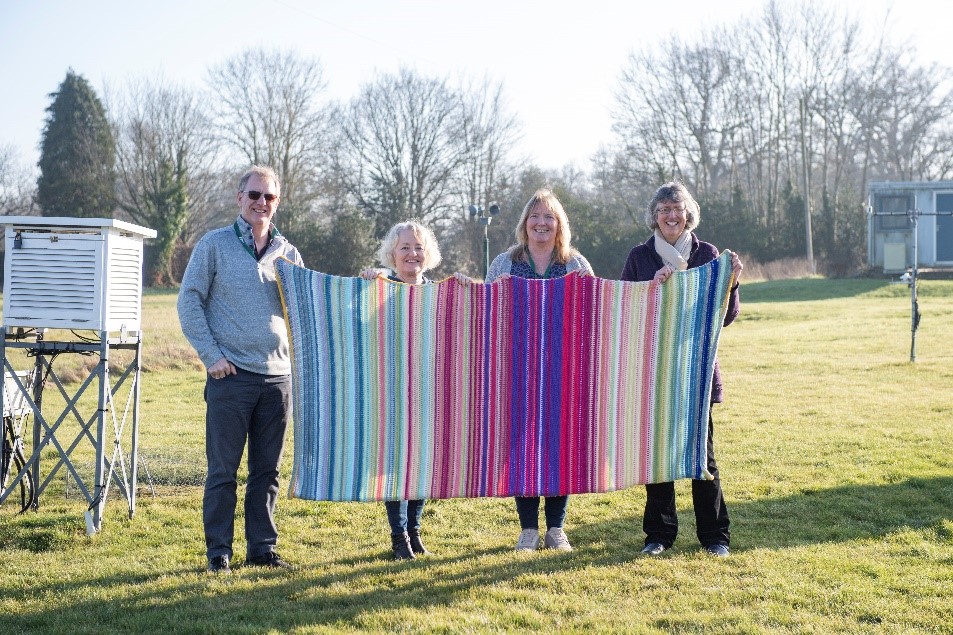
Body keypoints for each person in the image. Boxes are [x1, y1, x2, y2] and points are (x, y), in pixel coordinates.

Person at [178, 165, 303, 573]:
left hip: (278, 379)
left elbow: (305, 310)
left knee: (267, 472)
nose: (261, 203)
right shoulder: (214, 245)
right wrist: (212, 356)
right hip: (230, 378)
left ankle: (262, 549)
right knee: (223, 472)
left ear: (277, 202)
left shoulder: (289, 252)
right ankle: (219, 552)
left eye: (269, 197)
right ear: (239, 198)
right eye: (254, 195)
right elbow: (189, 301)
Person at [619, 181, 743, 558]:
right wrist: (652, 292)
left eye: (678, 209)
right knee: (657, 456)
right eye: (664, 210)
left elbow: (726, 317)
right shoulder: (639, 257)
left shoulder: (708, 254)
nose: (672, 216)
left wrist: (733, 283)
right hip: (653, 372)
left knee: (702, 457)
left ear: (689, 213)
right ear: (654, 217)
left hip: (697, 373)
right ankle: (658, 535)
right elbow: (627, 313)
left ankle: (715, 537)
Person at [484, 189, 594, 552]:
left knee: (559, 445)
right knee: (523, 447)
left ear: (559, 224)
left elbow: (594, 313)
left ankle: (556, 528)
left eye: (549, 217)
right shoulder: (504, 262)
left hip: (565, 369)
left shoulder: (575, 264)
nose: (541, 223)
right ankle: (528, 529)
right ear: (524, 224)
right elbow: (488, 312)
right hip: (518, 370)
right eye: (535, 217)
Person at [360, 220, 442, 560]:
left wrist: (468, 288)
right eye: (405, 247)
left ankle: (415, 529)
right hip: (390, 391)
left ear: (428, 254)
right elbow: (360, 324)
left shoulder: (438, 290)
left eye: (419, 247)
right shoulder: (380, 287)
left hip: (428, 390)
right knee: (394, 464)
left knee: (422, 462)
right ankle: (398, 536)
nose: (412, 254)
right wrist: (364, 287)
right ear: (392, 254)